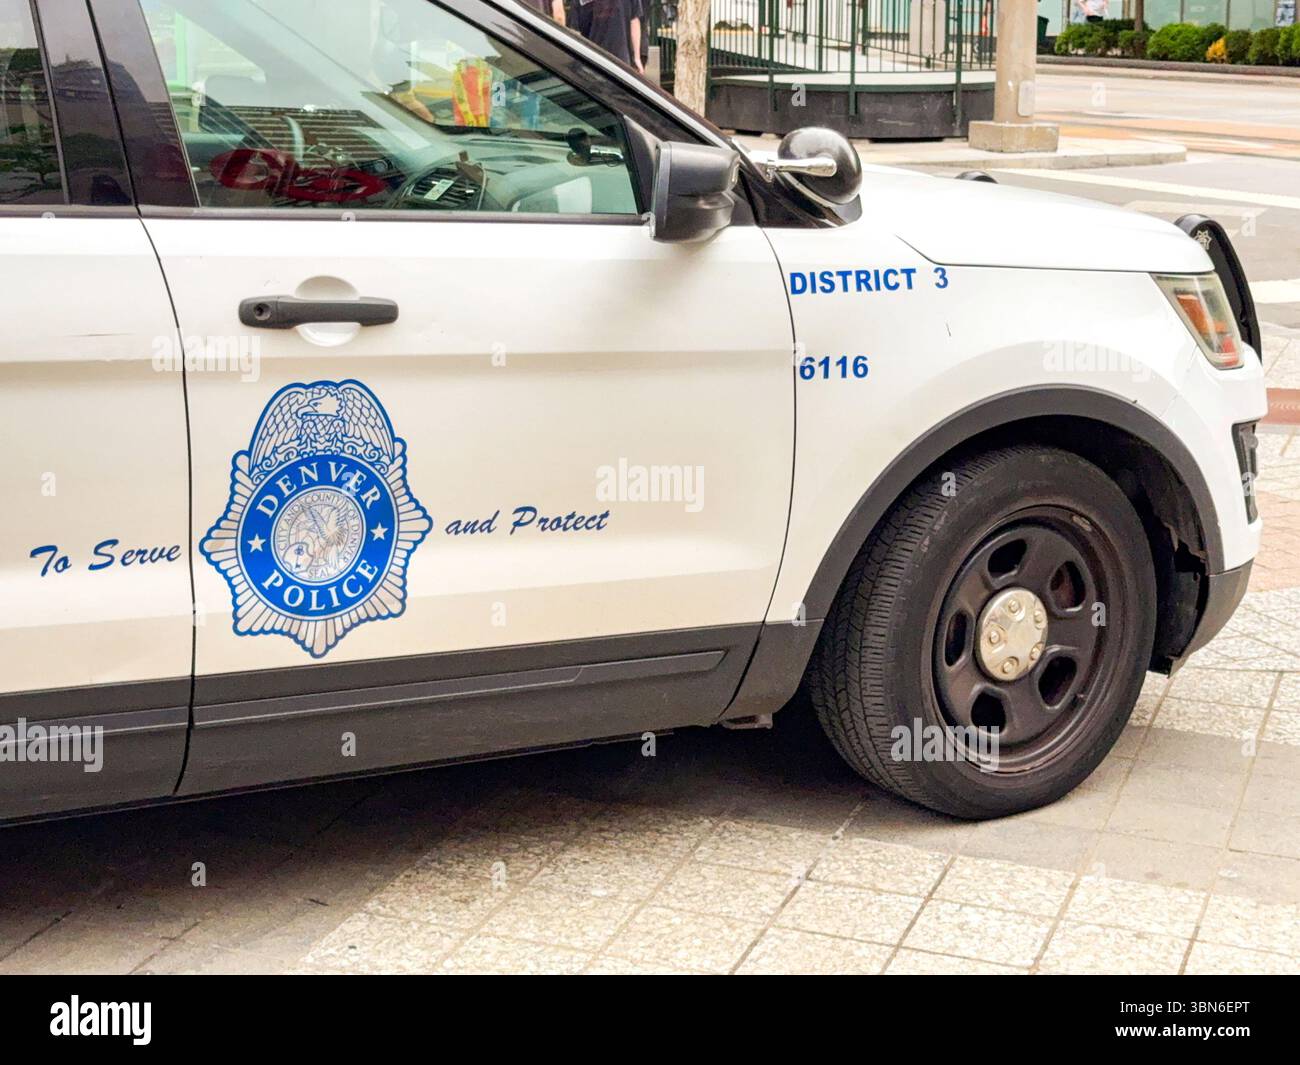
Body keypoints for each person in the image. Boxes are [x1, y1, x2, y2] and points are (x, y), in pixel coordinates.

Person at [572, 0, 644, 73]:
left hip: (592, 58)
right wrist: (636, 57)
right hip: (620, 58)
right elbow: (634, 20)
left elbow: (575, 30)